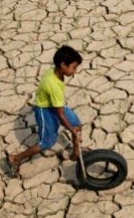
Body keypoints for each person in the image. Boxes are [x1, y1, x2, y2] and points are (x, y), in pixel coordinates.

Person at [6, 45, 83, 177]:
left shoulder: (56, 71)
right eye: (74, 67)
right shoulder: (53, 86)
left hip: (54, 105)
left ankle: (76, 154)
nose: (75, 71)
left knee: (76, 124)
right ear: (63, 65)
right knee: (47, 142)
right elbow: (61, 115)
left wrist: (73, 128)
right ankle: (15, 158)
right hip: (44, 110)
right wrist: (71, 131)